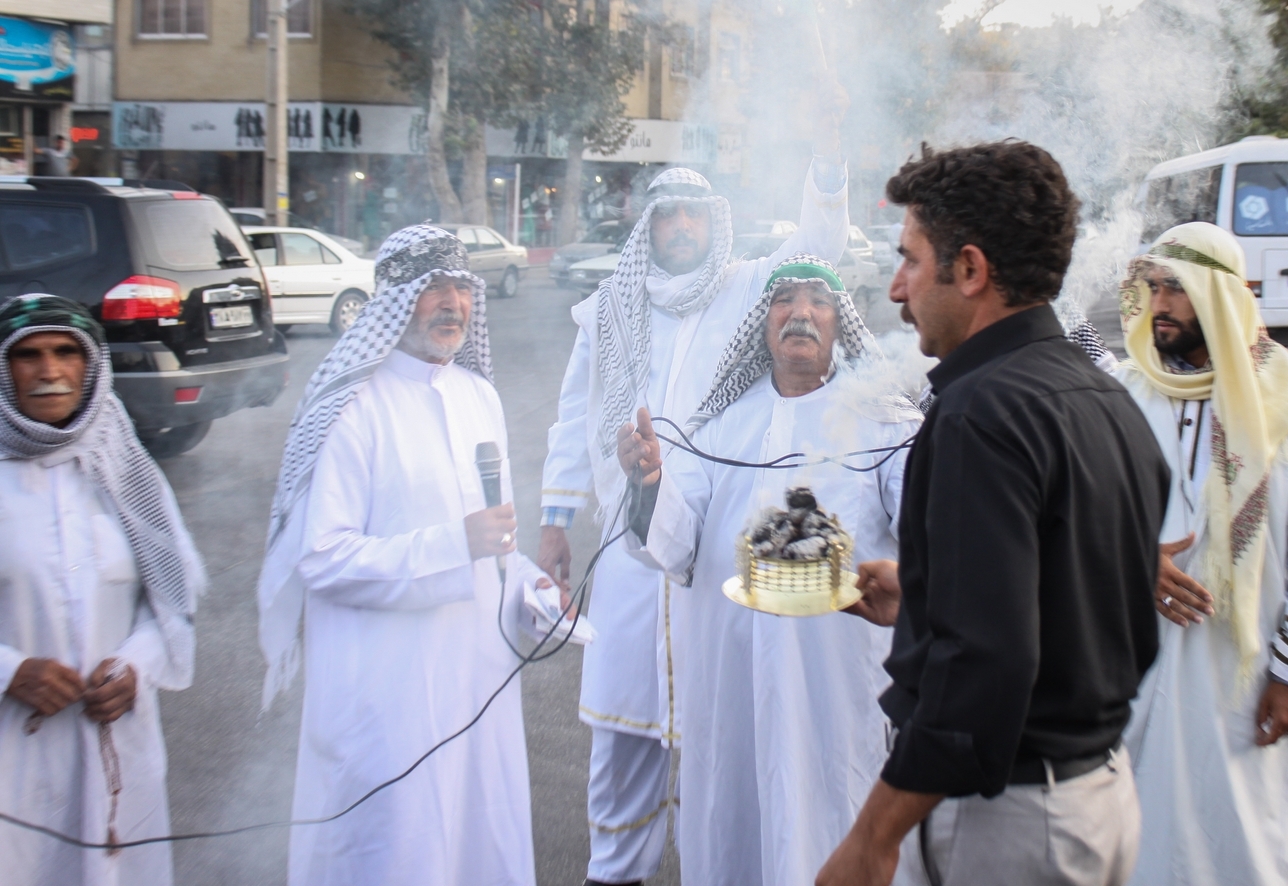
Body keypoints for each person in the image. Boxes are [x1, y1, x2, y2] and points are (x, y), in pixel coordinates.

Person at [817, 141, 1169, 886]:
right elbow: (1071, 600)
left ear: (970, 270)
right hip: (1094, 798)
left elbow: (983, 669)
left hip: (1008, 820)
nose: (894, 289)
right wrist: (927, 594)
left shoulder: (979, 414)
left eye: (910, 260)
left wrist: (872, 839)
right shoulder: (1102, 397)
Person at [539, 78, 852, 886]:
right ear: (648, 226)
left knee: (729, 735)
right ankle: (616, 872)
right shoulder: (607, 309)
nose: (680, 227)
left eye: (694, 215)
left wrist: (825, 157)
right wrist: (553, 519)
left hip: (716, 547)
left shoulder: (749, 286)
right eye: (667, 215)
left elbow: (822, 246)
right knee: (626, 735)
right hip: (633, 548)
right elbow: (572, 415)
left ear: (715, 226)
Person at [256, 225, 555, 886]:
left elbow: (492, 541)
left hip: (476, 688)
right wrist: (454, 546)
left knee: (477, 839)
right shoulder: (350, 409)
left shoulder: (479, 396)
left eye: (461, 287)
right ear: (395, 297)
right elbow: (323, 559)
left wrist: (529, 590)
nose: (452, 302)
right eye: (433, 288)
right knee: (396, 853)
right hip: (386, 699)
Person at [615, 254, 921, 886]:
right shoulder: (720, 425)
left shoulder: (885, 421)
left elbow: (935, 525)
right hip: (730, 686)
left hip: (833, 686)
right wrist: (648, 481)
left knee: (831, 816)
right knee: (736, 826)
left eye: (818, 302)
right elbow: (674, 544)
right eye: (784, 301)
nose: (800, 314)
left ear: (841, 323)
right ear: (764, 321)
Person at [1113, 222, 1288, 886]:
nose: (1159, 305)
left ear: (1224, 296)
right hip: (1135, 662)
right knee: (1137, 837)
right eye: (1150, 287)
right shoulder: (1123, 392)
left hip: (1247, 670)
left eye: (1176, 289)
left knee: (1246, 838)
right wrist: (1129, 560)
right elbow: (1082, 512)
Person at [0, 294, 205, 885]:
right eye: (28, 356)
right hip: (15, 752)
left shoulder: (122, 464)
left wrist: (135, 666)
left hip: (114, 743)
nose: (49, 372)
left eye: (66, 352)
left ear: (90, 364)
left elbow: (169, 596)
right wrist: (11, 670)